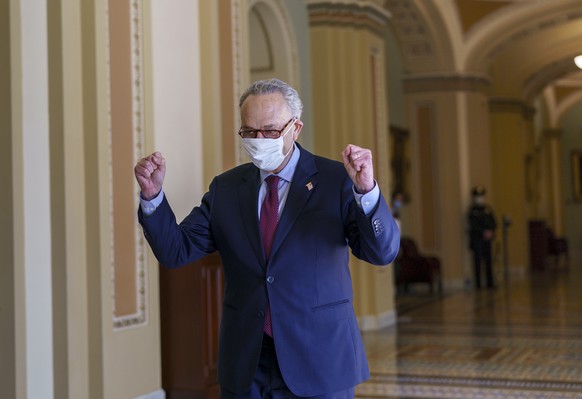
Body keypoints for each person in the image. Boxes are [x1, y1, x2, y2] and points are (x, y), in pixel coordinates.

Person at [134, 78, 400, 399]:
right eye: (250, 132)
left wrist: (367, 191)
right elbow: (176, 251)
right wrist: (152, 197)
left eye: (271, 131)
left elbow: (381, 252)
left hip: (318, 357)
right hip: (247, 361)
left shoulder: (337, 181)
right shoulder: (226, 189)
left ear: (295, 128)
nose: (260, 140)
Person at [467, 185, 497, 289]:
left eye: (481, 196)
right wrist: (483, 232)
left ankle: (490, 282)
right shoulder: (473, 211)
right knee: (478, 262)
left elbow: (493, 222)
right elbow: (474, 225)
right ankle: (478, 284)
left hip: (487, 240)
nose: (480, 198)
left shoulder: (488, 209)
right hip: (477, 239)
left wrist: (491, 231)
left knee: (489, 261)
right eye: (478, 196)